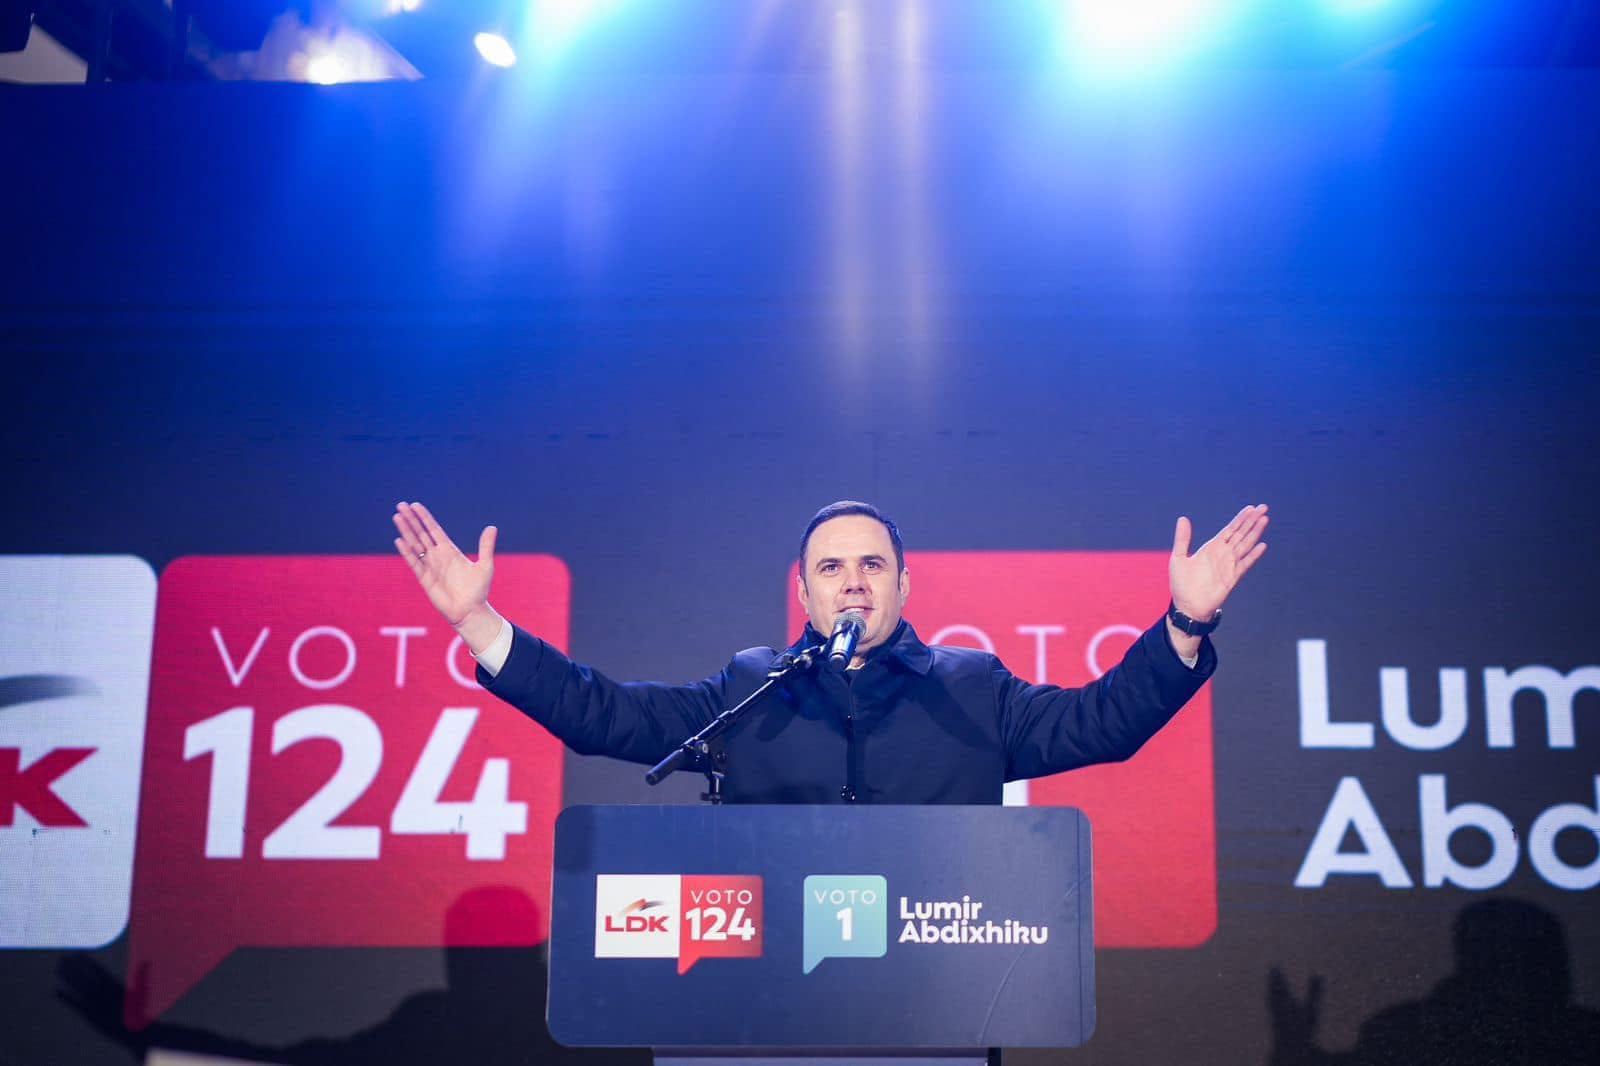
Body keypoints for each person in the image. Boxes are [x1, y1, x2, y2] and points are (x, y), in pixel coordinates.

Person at [392, 499, 1268, 803]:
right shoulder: (751, 689)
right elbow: (605, 715)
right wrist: (478, 623)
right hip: (770, 999)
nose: (853, 583)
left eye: (872, 566)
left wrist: (1185, 625)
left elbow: (1103, 724)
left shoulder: (974, 688)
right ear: (804, 592)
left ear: (904, 586)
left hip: (942, 992)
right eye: (832, 568)